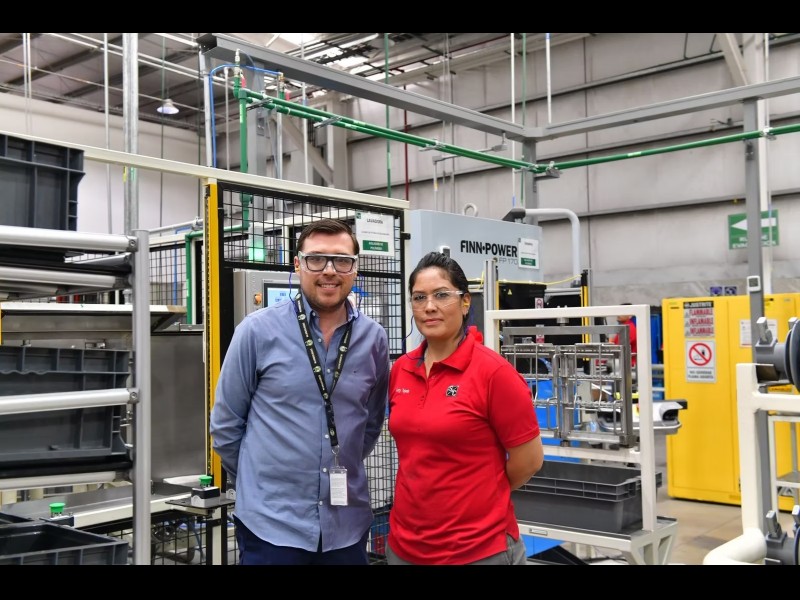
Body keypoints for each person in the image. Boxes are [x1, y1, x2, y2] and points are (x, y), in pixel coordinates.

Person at [210, 218, 390, 565]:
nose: (329, 270)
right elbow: (226, 425)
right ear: (297, 265)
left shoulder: (374, 339)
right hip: (271, 527)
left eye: (342, 260)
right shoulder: (256, 332)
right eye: (316, 259)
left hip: (346, 527)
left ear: (355, 269)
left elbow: (370, 422)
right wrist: (261, 483)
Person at [386, 251, 544, 565]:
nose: (429, 306)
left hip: (478, 549)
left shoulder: (494, 373)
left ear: (465, 302)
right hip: (405, 547)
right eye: (419, 297)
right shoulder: (401, 370)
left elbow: (529, 460)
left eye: (442, 295)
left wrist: (478, 495)